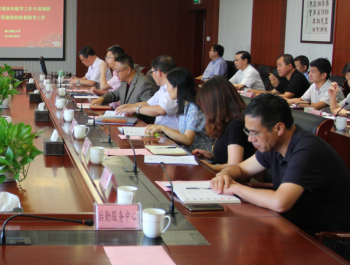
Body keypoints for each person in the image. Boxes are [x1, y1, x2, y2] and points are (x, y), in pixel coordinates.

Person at [210, 94, 350, 235]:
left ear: (279, 129)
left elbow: (280, 202)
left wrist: (235, 188)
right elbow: (241, 169)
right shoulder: (273, 144)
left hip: (326, 240)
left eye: (254, 133)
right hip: (291, 226)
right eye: (248, 132)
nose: (250, 139)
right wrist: (224, 175)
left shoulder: (307, 150)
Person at [192, 76, 255, 171]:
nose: (205, 111)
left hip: (228, 177)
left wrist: (211, 166)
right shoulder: (227, 122)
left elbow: (233, 166)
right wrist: (211, 157)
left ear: (215, 104)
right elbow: (225, 157)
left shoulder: (236, 125)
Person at [145, 67, 213, 152]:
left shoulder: (193, 108)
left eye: (168, 86)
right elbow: (182, 132)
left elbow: (188, 140)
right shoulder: (184, 105)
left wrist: (163, 128)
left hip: (199, 155)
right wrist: (160, 130)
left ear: (177, 88)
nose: (167, 89)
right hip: (186, 151)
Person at [115, 55, 179, 130]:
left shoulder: (174, 89)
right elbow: (148, 103)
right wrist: (129, 106)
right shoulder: (163, 87)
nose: (152, 75)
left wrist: (135, 109)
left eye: (152, 72)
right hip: (158, 130)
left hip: (170, 133)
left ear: (159, 72)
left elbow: (161, 110)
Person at [90, 54, 156, 107]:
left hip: (136, 118)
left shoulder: (144, 83)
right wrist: (102, 99)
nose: (116, 74)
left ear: (128, 70)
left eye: (118, 71)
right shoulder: (124, 81)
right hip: (125, 116)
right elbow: (115, 94)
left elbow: (149, 106)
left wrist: (131, 108)